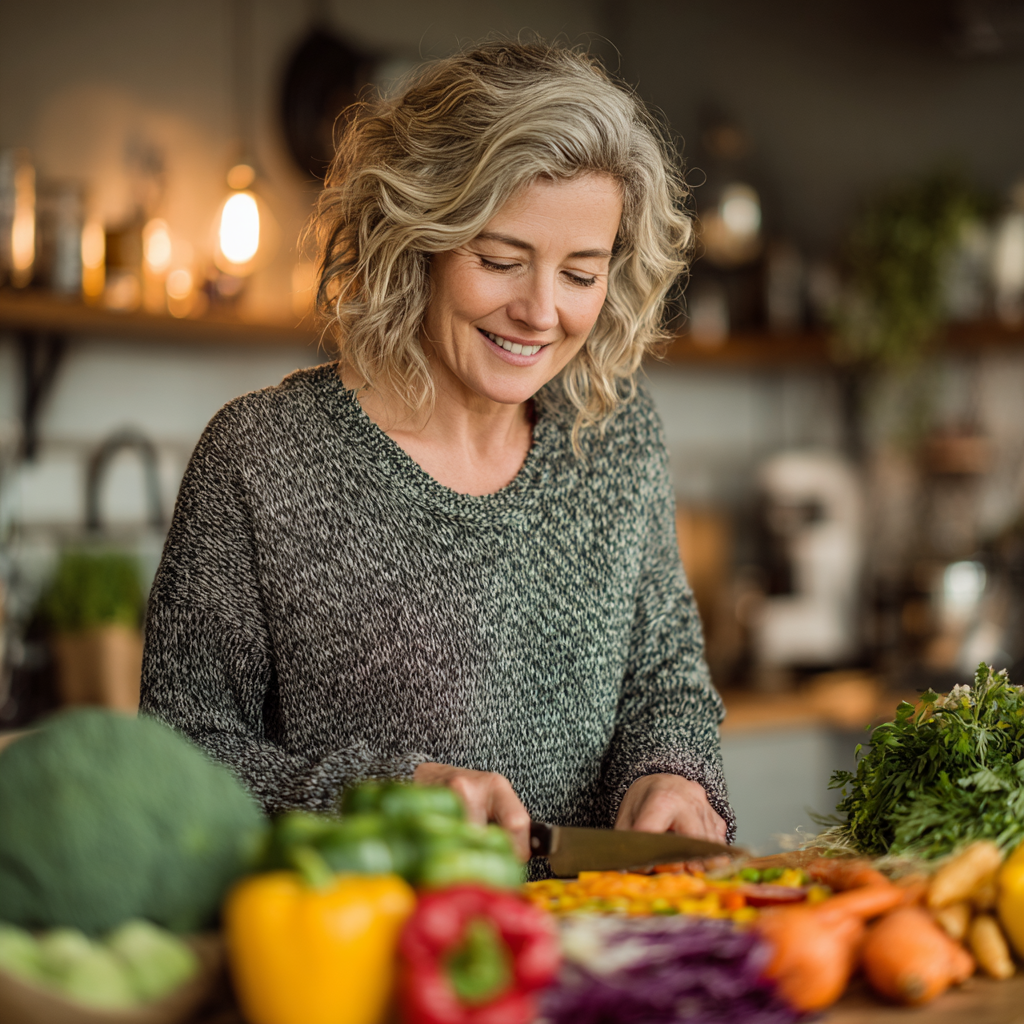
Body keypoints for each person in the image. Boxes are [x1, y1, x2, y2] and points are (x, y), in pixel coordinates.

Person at [140, 40, 734, 864]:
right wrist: (387, 798)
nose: (540, 311)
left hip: (605, 943)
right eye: (499, 260)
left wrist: (673, 776)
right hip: (366, 959)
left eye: (581, 273)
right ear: (415, 232)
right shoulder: (260, 459)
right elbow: (178, 758)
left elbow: (665, 674)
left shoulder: (617, 432)